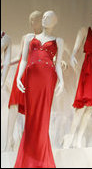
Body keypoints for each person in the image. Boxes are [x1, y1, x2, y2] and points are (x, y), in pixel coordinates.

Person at [14, 10, 64, 167]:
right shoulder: (30, 38)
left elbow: (58, 64)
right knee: (31, 119)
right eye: (43, 16)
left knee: (43, 119)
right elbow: (23, 60)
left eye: (48, 17)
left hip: (47, 80)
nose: (44, 18)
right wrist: (18, 78)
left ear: (55, 21)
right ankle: (27, 161)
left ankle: (41, 161)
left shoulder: (58, 40)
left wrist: (61, 81)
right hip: (31, 79)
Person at [62, 9, 92, 149]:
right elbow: (76, 48)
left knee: (91, 107)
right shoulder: (84, 30)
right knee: (83, 105)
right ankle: (70, 136)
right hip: (89, 68)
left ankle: (79, 138)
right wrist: (72, 57)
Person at [4, 10, 42, 152]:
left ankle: (27, 144)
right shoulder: (25, 37)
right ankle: (8, 142)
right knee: (14, 104)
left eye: (36, 19)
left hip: (34, 75)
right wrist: (5, 63)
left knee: (31, 109)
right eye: (31, 20)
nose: (33, 22)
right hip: (22, 73)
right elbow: (20, 56)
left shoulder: (45, 38)